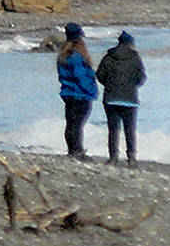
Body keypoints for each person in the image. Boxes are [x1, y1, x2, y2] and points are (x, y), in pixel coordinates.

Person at [96, 30, 147, 167]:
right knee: (129, 129)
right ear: (131, 43)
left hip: (111, 97)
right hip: (129, 98)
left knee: (113, 129)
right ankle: (131, 158)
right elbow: (141, 77)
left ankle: (113, 157)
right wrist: (132, 86)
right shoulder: (135, 58)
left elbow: (100, 75)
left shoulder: (109, 56)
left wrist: (109, 84)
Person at [56, 22, 97, 160]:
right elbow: (80, 76)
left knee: (71, 124)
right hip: (80, 94)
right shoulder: (76, 56)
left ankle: (73, 150)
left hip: (68, 93)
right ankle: (77, 151)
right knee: (77, 124)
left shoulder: (63, 54)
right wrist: (91, 89)